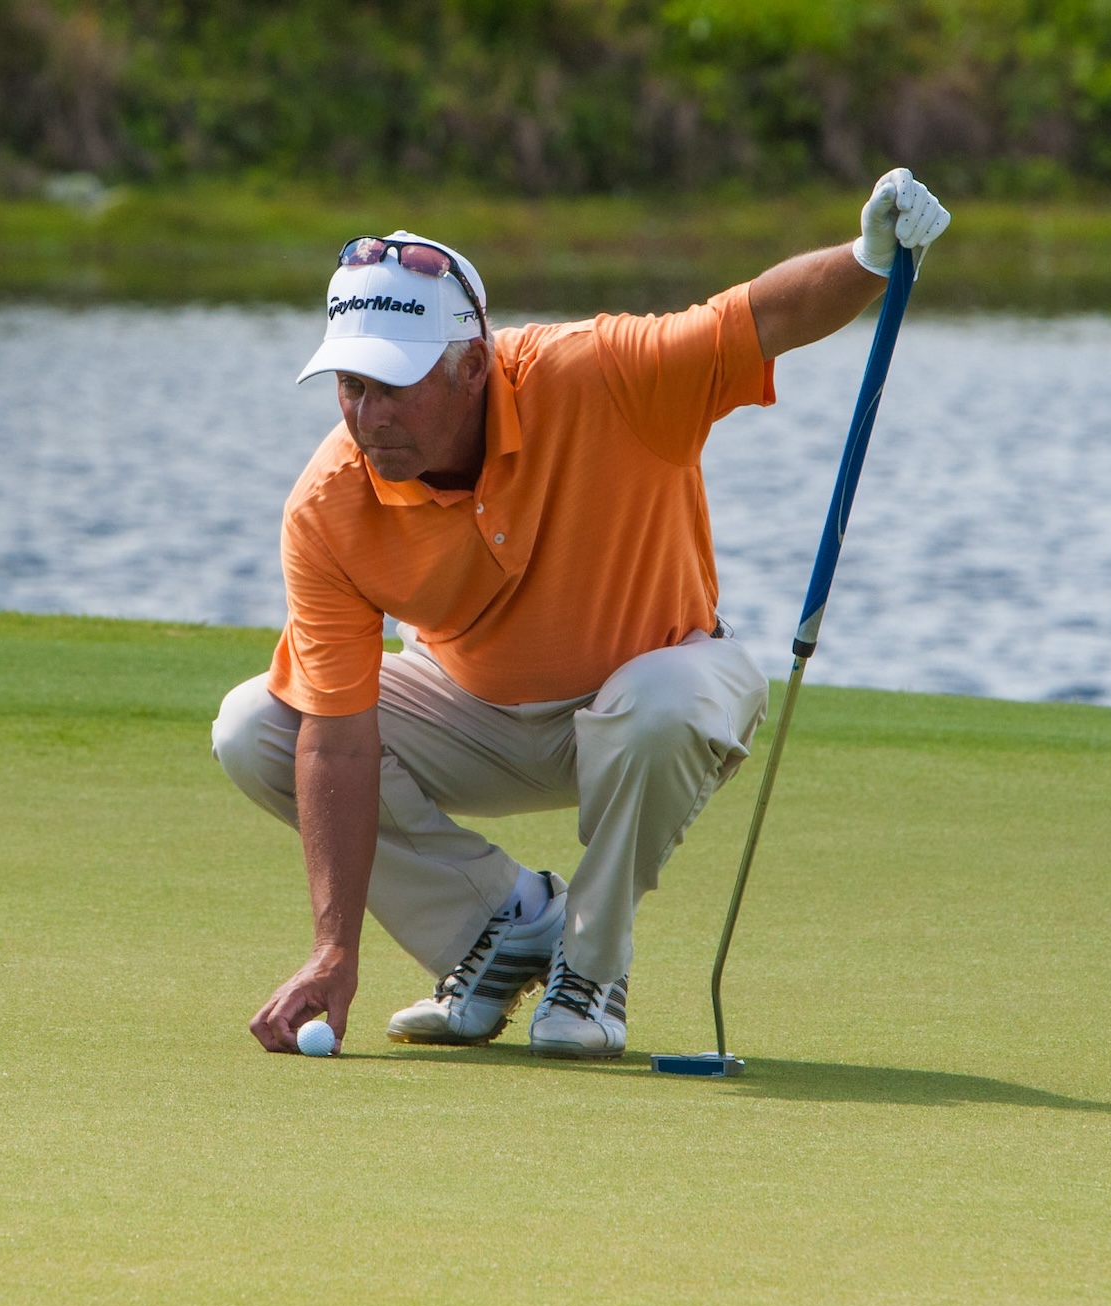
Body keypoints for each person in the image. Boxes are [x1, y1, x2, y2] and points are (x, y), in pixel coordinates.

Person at [212, 169, 951, 1057]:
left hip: (659, 689)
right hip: (475, 712)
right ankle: (499, 931)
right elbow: (335, 738)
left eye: (394, 386)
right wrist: (336, 947)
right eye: (350, 386)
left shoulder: (603, 374)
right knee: (259, 726)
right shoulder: (327, 506)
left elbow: (758, 320)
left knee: (660, 704)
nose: (368, 418)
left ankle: (591, 971)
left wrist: (869, 256)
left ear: (474, 362)